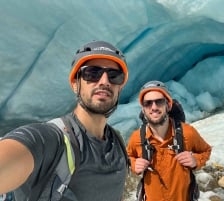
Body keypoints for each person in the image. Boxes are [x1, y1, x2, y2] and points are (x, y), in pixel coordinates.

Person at [0, 40, 129, 201]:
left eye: (114, 76)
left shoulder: (117, 144)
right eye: (92, 73)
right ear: (75, 84)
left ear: (120, 87)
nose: (104, 81)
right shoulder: (52, 139)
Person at [127, 80, 212, 201]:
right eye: (148, 103)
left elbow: (206, 150)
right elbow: (128, 157)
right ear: (143, 109)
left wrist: (195, 160)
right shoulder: (137, 138)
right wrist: (134, 164)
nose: (154, 107)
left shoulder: (187, 133)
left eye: (159, 101)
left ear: (168, 105)